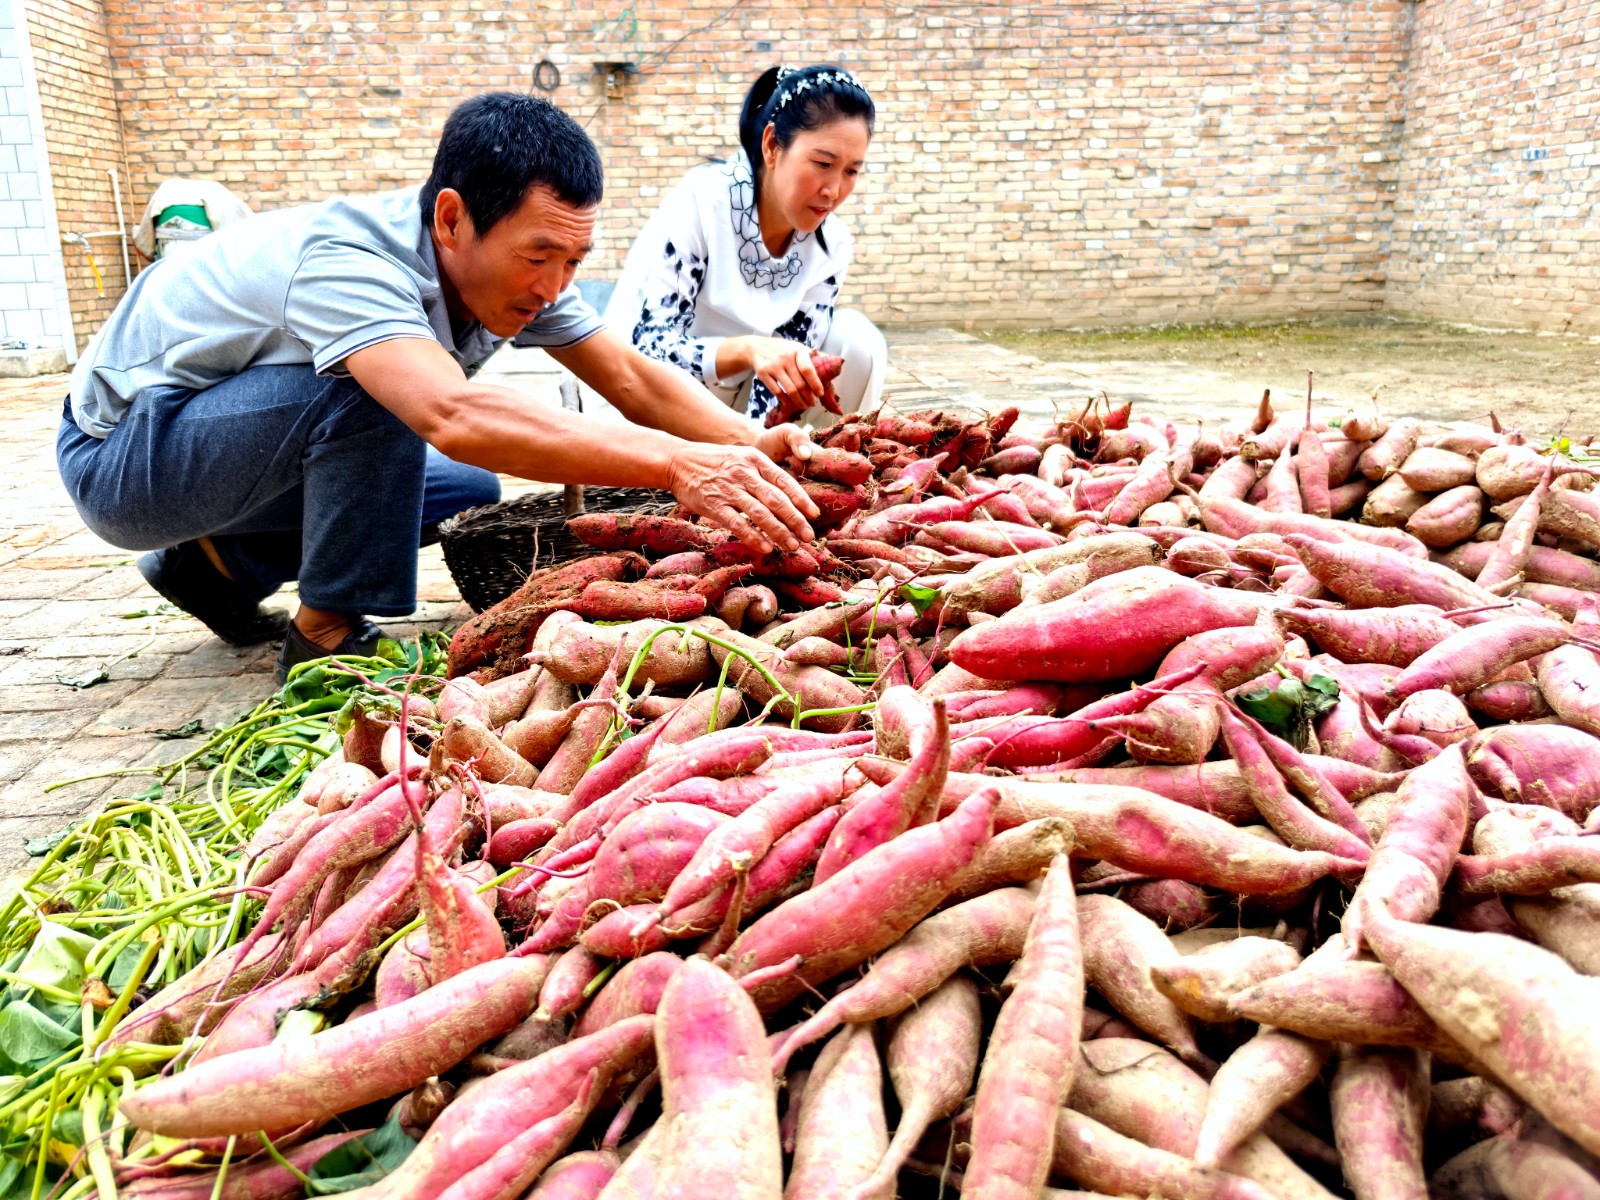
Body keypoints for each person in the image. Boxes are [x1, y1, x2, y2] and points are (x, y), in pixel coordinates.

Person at [57, 93, 818, 681]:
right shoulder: (353, 261)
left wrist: (749, 443)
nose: (554, 287)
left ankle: (213, 568)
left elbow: (624, 376)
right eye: (540, 256)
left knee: (462, 486)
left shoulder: (520, 267)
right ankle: (321, 637)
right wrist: (677, 465)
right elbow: (447, 408)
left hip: (214, 446)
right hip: (124, 460)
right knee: (378, 390)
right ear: (452, 219)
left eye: (575, 261)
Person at [605, 64, 886, 427]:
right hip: (649, 399)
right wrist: (749, 349)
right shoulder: (702, 203)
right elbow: (648, 350)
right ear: (772, 145)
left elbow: (787, 373)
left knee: (857, 341)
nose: (833, 190)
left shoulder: (831, 244)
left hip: (736, 408)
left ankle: (808, 465)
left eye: (851, 171)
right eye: (822, 163)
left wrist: (758, 443)